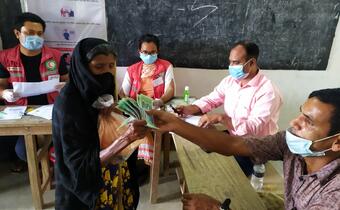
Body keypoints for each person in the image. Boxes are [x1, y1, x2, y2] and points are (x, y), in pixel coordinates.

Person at [149, 88, 340, 210]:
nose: (293, 122)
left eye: (308, 121)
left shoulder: (334, 196)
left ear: (337, 142)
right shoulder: (292, 144)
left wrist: (217, 209)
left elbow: (252, 127)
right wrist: (174, 124)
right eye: (301, 114)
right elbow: (235, 144)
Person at [53, 38, 149, 209]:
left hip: (115, 177)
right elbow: (79, 168)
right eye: (99, 67)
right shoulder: (69, 103)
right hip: (87, 191)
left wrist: (118, 109)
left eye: (111, 66)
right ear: (83, 67)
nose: (107, 72)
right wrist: (125, 139)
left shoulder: (103, 92)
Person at [176, 41, 282, 176]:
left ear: (252, 63)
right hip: (233, 137)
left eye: (236, 62)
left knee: (219, 172)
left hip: (254, 148)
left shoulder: (268, 91)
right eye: (230, 62)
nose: (231, 67)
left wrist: (221, 118)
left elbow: (254, 127)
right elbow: (213, 98)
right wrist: (191, 108)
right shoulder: (230, 81)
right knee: (198, 146)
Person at [0, 12, 68, 169]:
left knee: (62, 144)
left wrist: (66, 87)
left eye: (39, 33)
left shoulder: (55, 56)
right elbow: (1, 85)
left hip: (51, 109)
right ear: (17, 34)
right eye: (29, 33)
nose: (35, 37)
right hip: (21, 112)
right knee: (24, 151)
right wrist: (4, 93)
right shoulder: (5, 58)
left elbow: (67, 80)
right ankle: (46, 166)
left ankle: (51, 165)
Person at [120, 33, 175, 165]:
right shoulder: (132, 69)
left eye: (152, 52)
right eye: (145, 52)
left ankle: (146, 159)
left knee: (143, 122)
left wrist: (160, 100)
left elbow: (170, 90)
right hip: (136, 108)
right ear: (139, 51)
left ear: (158, 51)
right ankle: (145, 159)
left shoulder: (165, 66)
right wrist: (130, 104)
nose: (149, 55)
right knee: (139, 121)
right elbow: (122, 93)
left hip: (156, 106)